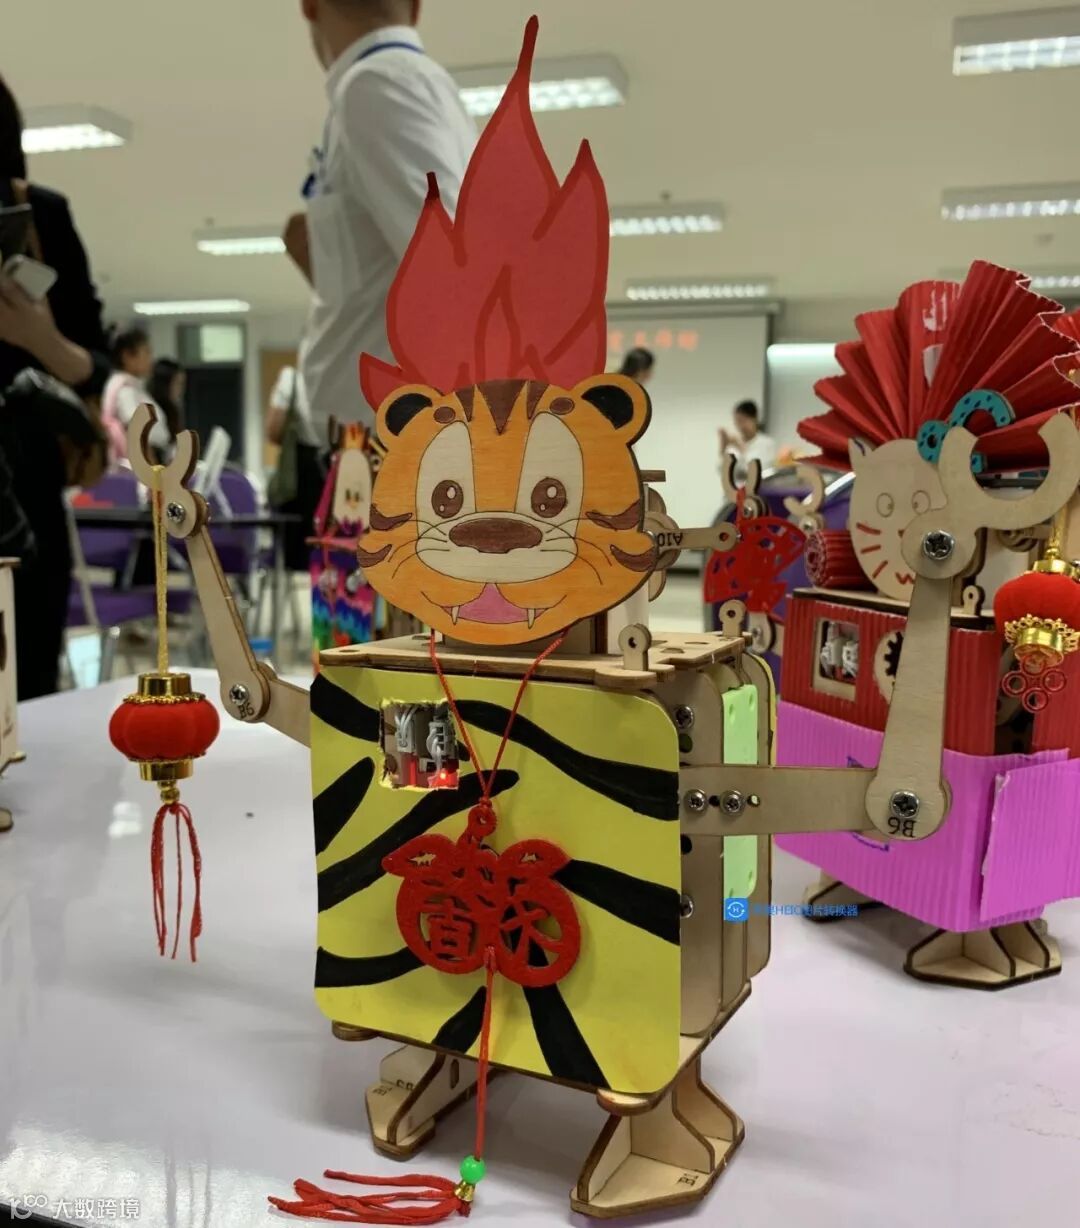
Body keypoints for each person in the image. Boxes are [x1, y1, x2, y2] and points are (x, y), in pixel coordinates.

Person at [285, 0, 476, 435]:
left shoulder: (377, 86)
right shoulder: (408, 84)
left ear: (309, 6)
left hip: (391, 446)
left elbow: (458, 269)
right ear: (416, 7)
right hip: (389, 440)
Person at [0, 74, 110, 699]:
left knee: (27, 682)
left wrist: (37, 336)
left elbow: (94, 370)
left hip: (25, 488)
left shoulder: (42, 216)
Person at [102, 326, 169, 461]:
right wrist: (152, 469)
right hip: (146, 460)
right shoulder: (124, 390)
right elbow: (138, 433)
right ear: (127, 356)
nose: (151, 359)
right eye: (146, 352)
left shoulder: (133, 387)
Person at [720, 400, 777, 478]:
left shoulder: (767, 444)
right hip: (736, 486)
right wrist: (723, 448)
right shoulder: (734, 445)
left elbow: (757, 472)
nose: (741, 426)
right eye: (737, 421)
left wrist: (741, 449)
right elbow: (724, 472)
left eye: (743, 421)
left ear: (755, 419)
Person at [147, 357, 186, 451]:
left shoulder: (173, 409)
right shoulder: (153, 412)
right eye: (178, 384)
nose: (181, 390)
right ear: (164, 384)